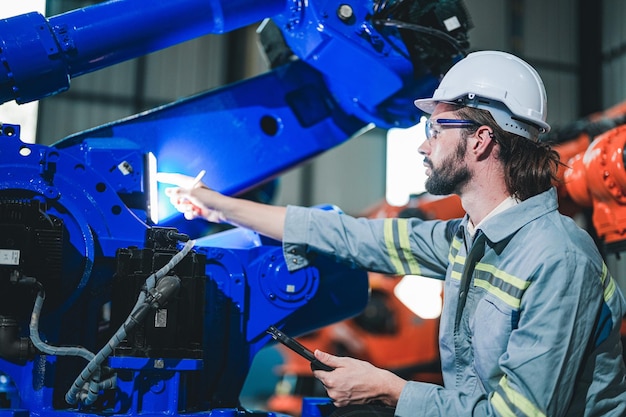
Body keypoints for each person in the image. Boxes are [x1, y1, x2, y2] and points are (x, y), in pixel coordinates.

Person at [162, 50, 626, 416]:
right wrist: (220, 206)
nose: (425, 144)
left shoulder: (558, 260)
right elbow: (352, 236)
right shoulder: (464, 242)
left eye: (436, 127)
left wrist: (388, 389)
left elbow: (519, 415)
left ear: (482, 140)